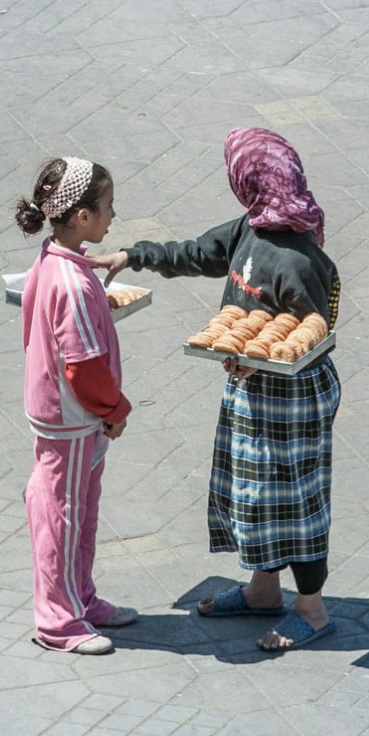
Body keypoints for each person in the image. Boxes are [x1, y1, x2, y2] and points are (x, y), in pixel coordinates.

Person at [89, 127, 341, 652]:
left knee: (295, 500)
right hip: (250, 389)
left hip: (293, 401)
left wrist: (258, 362)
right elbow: (202, 253)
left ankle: (311, 609)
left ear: (251, 181)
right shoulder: (253, 227)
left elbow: (310, 337)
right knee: (255, 498)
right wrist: (131, 256)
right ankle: (262, 591)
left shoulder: (298, 259)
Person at [14, 156, 138, 655]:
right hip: (72, 419)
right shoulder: (70, 283)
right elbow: (82, 368)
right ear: (81, 216)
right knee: (60, 520)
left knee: (79, 514)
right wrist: (116, 409)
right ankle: (58, 622)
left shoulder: (57, 262)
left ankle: (79, 597)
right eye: (107, 207)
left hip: (69, 418)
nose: (113, 215)